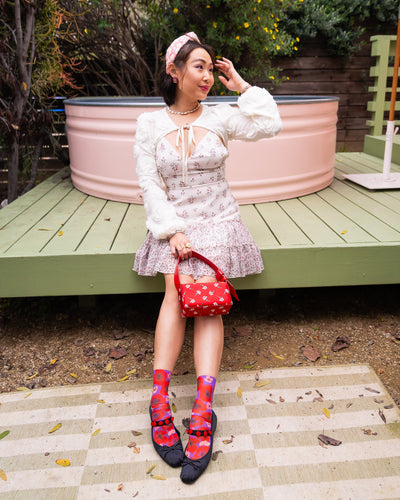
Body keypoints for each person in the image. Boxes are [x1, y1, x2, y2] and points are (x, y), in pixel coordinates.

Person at [133, 32, 282, 484]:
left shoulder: (222, 117)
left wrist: (241, 86)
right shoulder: (149, 124)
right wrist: (171, 230)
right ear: (174, 71)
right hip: (173, 222)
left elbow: (269, 124)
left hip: (219, 219)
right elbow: (150, 185)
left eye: (210, 68)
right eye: (199, 67)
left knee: (209, 301)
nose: (207, 76)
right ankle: (159, 400)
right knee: (175, 296)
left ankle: (203, 408)